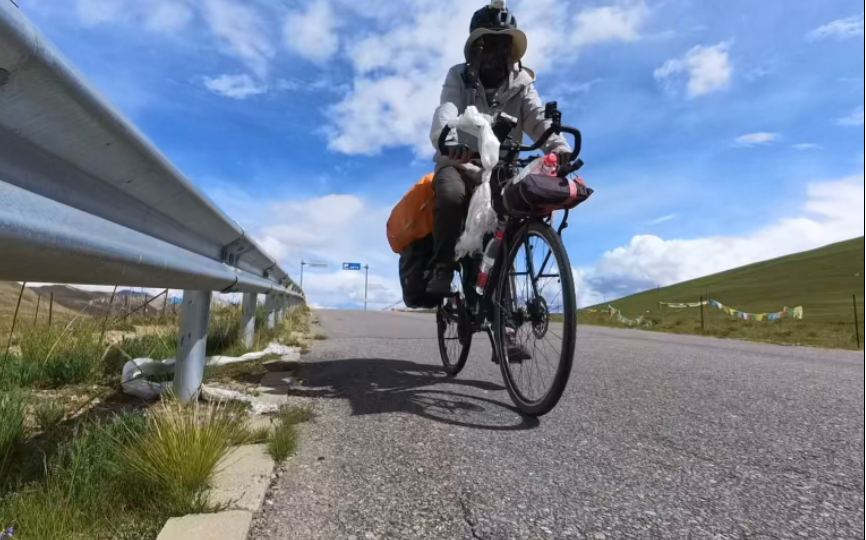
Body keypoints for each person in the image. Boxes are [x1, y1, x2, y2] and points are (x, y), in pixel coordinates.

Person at [427, 0, 572, 298]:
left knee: (504, 230)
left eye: (502, 44)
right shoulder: (459, 76)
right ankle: (442, 265)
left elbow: (537, 118)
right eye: (488, 43)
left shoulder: (522, 84)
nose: (496, 52)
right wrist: (448, 138)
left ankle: (505, 324)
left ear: (511, 50)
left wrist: (559, 148)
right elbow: (447, 108)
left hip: (500, 169)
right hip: (460, 162)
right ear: (475, 48)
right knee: (451, 195)